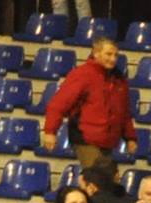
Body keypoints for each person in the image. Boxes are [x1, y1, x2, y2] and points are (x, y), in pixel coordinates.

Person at [42, 36, 135, 170]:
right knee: (97, 177)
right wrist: (50, 132)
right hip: (85, 138)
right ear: (96, 53)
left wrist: (130, 137)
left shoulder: (119, 79)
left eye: (116, 55)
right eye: (108, 54)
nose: (113, 59)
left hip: (108, 141)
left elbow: (124, 112)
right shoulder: (82, 74)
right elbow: (59, 104)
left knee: (103, 179)